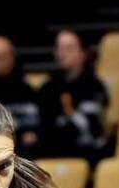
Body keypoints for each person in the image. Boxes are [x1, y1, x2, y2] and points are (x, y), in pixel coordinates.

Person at [36, 29, 109, 160]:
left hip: (86, 152)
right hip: (52, 152)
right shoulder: (47, 88)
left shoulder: (94, 86)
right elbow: (43, 125)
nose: (62, 54)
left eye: (69, 48)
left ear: (83, 53)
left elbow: (91, 128)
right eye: (59, 48)